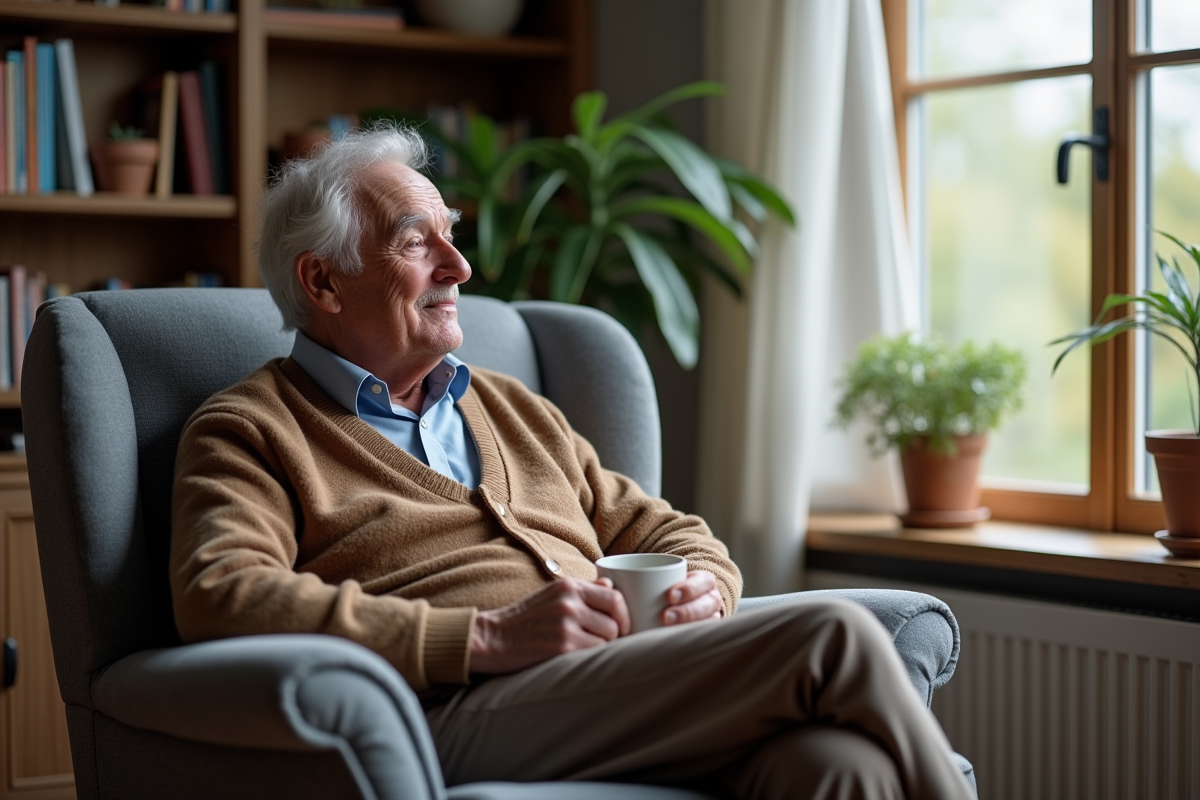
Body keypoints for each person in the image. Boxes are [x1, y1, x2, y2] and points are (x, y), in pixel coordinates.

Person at [170, 125, 974, 800]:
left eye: (454, 234)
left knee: (837, 767)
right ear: (324, 281)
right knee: (833, 633)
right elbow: (221, 594)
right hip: (450, 711)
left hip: (615, 687)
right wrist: (478, 638)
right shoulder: (251, 428)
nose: (461, 268)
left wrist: (709, 591)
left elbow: (670, 530)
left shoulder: (513, 409)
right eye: (420, 243)